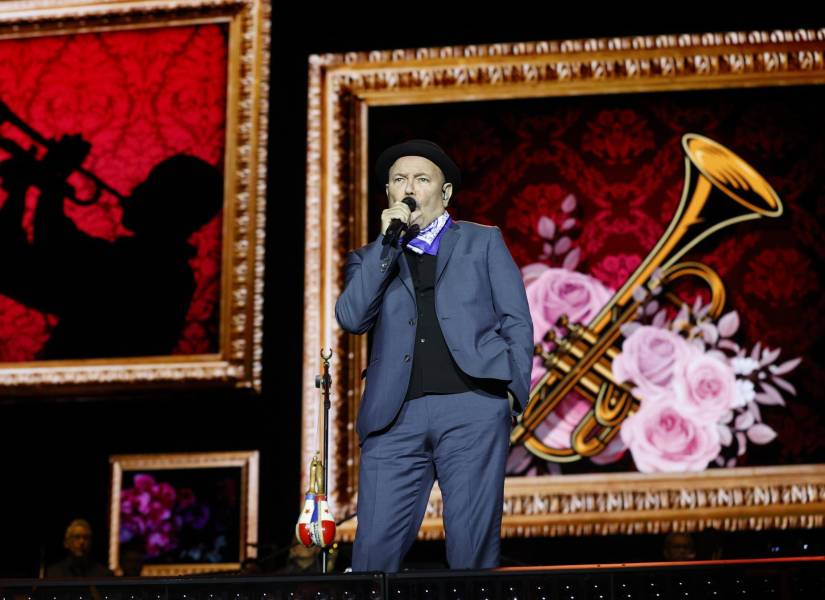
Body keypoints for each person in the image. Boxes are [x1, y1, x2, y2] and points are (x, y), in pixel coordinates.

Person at [335, 139, 533, 571]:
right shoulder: (369, 258)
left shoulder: (481, 241)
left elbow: (516, 320)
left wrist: (511, 392)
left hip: (472, 406)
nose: (409, 188)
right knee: (372, 555)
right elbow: (351, 318)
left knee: (471, 550)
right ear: (388, 192)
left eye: (421, 179)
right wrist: (386, 246)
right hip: (394, 417)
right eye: (399, 180)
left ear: (444, 193)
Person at [0, 134, 223, 359]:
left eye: (150, 186)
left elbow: (51, 247)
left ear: (169, 205)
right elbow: (15, 267)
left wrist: (53, 180)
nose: (135, 189)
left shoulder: (154, 269)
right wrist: (20, 191)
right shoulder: (163, 267)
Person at [45, 519, 113, 578]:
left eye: (86, 537)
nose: (82, 541)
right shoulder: (53, 574)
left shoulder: (103, 574)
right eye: (77, 537)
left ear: (91, 542)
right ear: (66, 543)